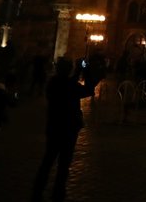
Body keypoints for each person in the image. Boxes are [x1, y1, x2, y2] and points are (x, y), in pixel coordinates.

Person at [30, 57, 98, 202]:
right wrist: (85, 71)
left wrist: (77, 73)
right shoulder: (70, 85)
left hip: (54, 126)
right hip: (68, 128)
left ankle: (37, 191)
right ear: (69, 70)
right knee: (63, 164)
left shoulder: (53, 83)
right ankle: (58, 192)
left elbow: (68, 84)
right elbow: (89, 90)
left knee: (47, 160)